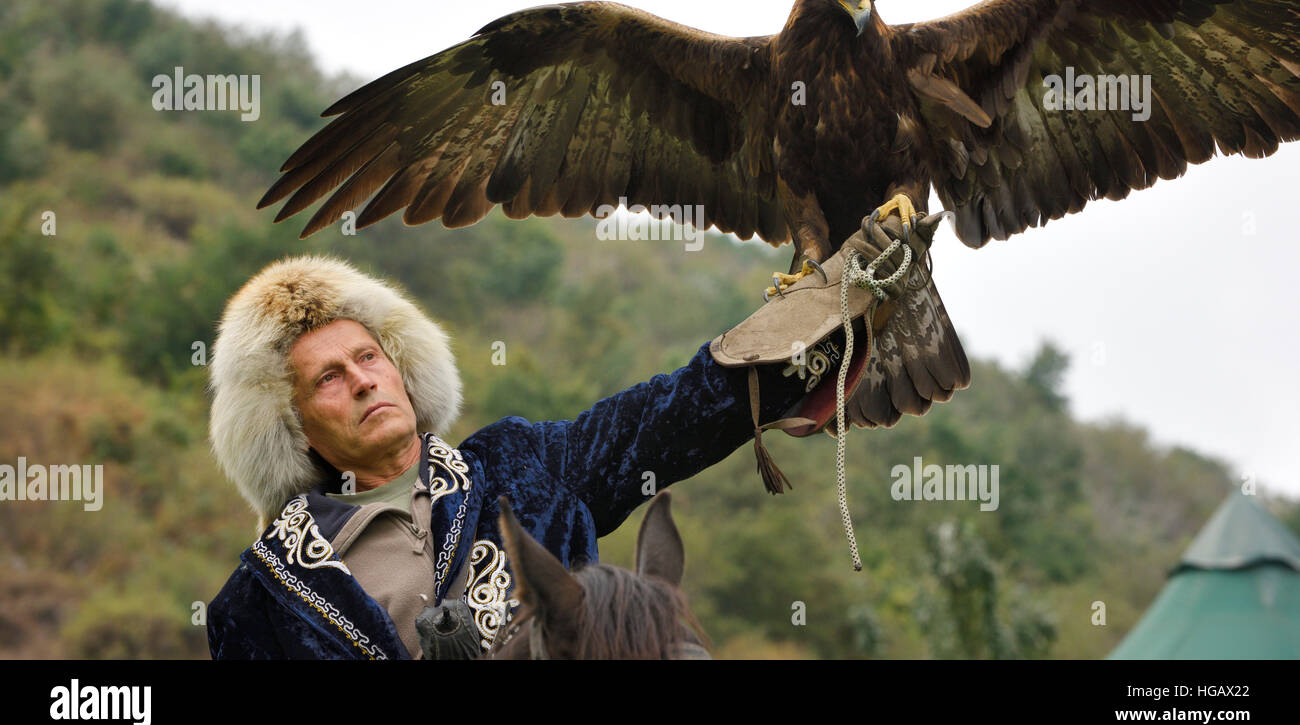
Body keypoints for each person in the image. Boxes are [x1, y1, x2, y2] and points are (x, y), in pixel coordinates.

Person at [205, 215, 943, 659]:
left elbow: (671, 417)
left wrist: (840, 300)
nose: (363, 379)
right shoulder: (261, 597)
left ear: (401, 367)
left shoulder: (520, 464)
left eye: (369, 356)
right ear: (293, 425)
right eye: (329, 377)